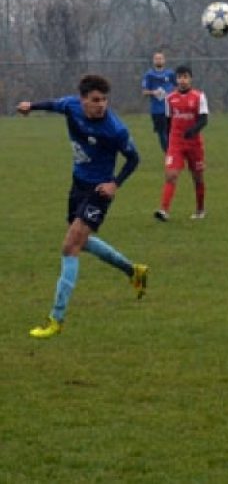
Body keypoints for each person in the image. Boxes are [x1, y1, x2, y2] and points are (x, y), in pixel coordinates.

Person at [17, 74, 147, 339]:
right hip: (78, 184)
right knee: (81, 241)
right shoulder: (71, 106)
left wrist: (115, 184)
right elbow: (54, 105)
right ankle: (133, 271)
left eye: (104, 100)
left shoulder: (115, 129)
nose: (101, 105)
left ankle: (56, 319)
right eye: (95, 100)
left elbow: (134, 158)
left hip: (99, 191)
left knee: (70, 247)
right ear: (83, 100)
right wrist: (31, 106)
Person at [154, 65, 209, 221]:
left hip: (194, 144)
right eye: (179, 77)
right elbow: (168, 122)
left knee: (198, 177)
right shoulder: (170, 98)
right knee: (171, 175)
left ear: (190, 79)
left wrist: (193, 131)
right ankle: (163, 210)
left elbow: (204, 120)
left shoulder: (199, 96)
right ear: (176, 80)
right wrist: (169, 142)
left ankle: (200, 209)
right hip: (176, 143)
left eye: (185, 77)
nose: (182, 80)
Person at [141, 51, 177, 153]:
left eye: (160, 58)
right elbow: (144, 91)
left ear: (164, 60)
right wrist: (154, 92)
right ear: (153, 61)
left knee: (172, 132)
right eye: (156, 58)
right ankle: (168, 153)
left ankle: (173, 153)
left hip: (171, 108)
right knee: (162, 133)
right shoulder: (149, 75)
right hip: (157, 110)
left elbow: (177, 87)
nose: (158, 60)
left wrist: (173, 95)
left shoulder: (170, 74)